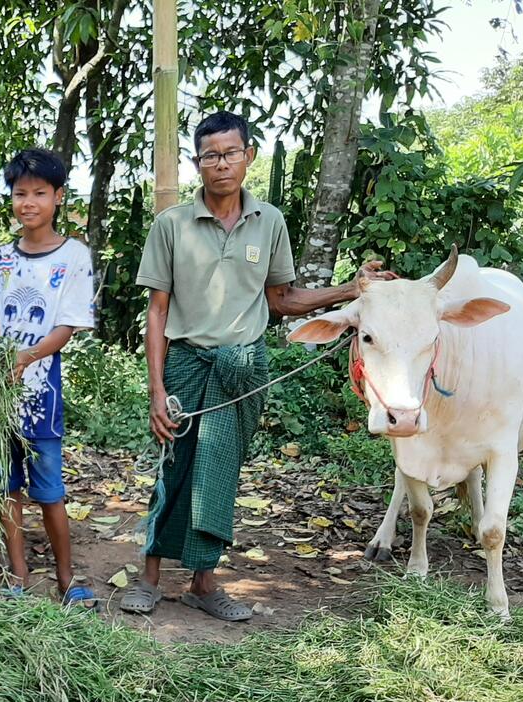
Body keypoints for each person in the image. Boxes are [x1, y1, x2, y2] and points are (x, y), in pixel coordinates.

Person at [124, 110, 392, 621]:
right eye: (210, 155)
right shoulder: (171, 224)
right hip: (184, 363)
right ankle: (150, 577)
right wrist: (156, 390)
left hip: (242, 370)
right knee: (173, 469)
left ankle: (204, 583)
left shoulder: (269, 222)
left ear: (248, 156)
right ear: (197, 162)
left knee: (219, 474)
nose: (220, 163)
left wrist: (350, 290)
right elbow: (156, 312)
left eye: (230, 153)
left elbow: (282, 299)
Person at [0, 148, 98, 609]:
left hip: (40, 391)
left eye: (39, 193)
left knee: (50, 490)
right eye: (19, 193)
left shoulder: (74, 256)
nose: (28, 202)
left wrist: (27, 357)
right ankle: (16, 577)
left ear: (58, 197)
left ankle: (66, 578)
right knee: (3, 486)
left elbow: (67, 327)